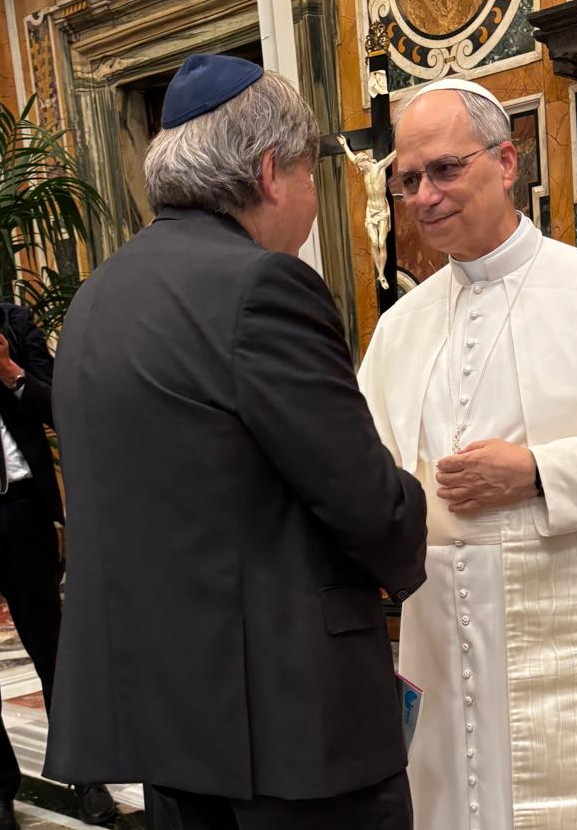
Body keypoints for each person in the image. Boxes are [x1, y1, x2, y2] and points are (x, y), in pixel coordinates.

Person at [43, 54, 427, 830]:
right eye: (310, 174)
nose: (311, 201)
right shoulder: (261, 286)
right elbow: (364, 501)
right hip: (290, 728)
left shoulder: (97, 295)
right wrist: (412, 506)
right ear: (270, 172)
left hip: (170, 722)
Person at [357, 78, 577, 830]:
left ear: (505, 161)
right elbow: (371, 467)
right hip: (440, 616)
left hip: (573, 586)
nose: (425, 196)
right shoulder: (399, 328)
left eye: (445, 169)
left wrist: (538, 472)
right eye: (409, 180)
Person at [0, 305, 115, 829]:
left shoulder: (13, 325)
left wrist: (9, 371)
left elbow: (59, 404)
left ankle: (85, 771)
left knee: (53, 648)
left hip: (22, 510)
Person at [338, 134, 397, 289]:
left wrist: (402, 141)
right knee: (374, 242)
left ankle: (382, 274)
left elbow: (393, 155)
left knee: (382, 243)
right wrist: (344, 145)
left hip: (381, 210)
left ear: (366, 161)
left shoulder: (379, 167)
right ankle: (380, 274)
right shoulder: (365, 171)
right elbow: (352, 159)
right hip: (370, 211)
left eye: (360, 164)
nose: (358, 167)